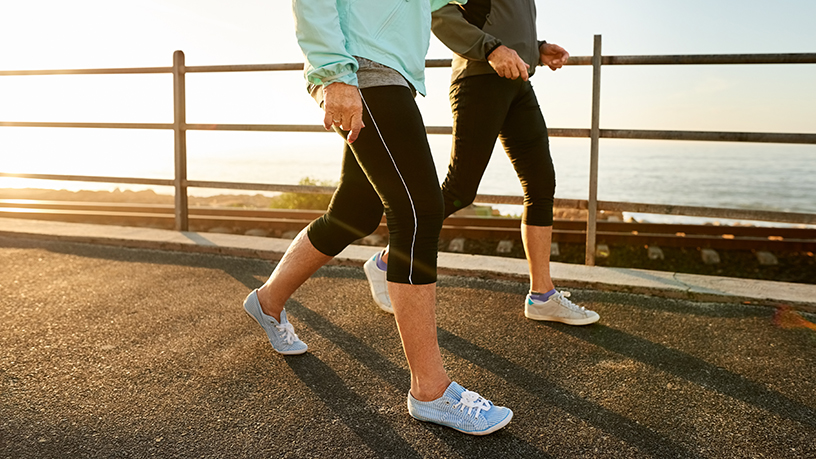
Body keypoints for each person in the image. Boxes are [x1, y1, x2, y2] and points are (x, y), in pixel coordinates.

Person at [242, 0, 513, 436]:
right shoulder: (351, 71)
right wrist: (333, 74)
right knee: (419, 213)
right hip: (362, 68)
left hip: (392, 72)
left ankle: (267, 301)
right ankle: (430, 390)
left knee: (355, 211)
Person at [363, 0, 600, 326]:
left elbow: (501, 18)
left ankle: (542, 296)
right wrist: (491, 49)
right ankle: (387, 261)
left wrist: (536, 49)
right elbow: (438, 11)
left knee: (542, 184)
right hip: (479, 78)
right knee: (460, 189)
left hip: (517, 81)